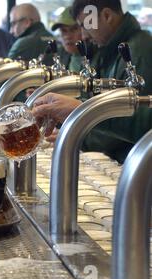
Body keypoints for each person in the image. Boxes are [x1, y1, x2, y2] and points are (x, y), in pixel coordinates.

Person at [33, 0, 152, 163]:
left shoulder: (137, 52)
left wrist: (79, 128)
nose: (83, 35)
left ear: (107, 16)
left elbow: (137, 121)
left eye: (85, 25)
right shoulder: (110, 50)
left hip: (130, 162)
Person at [51, 7, 84, 73]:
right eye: (63, 31)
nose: (67, 36)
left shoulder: (99, 57)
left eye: (74, 29)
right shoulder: (60, 54)